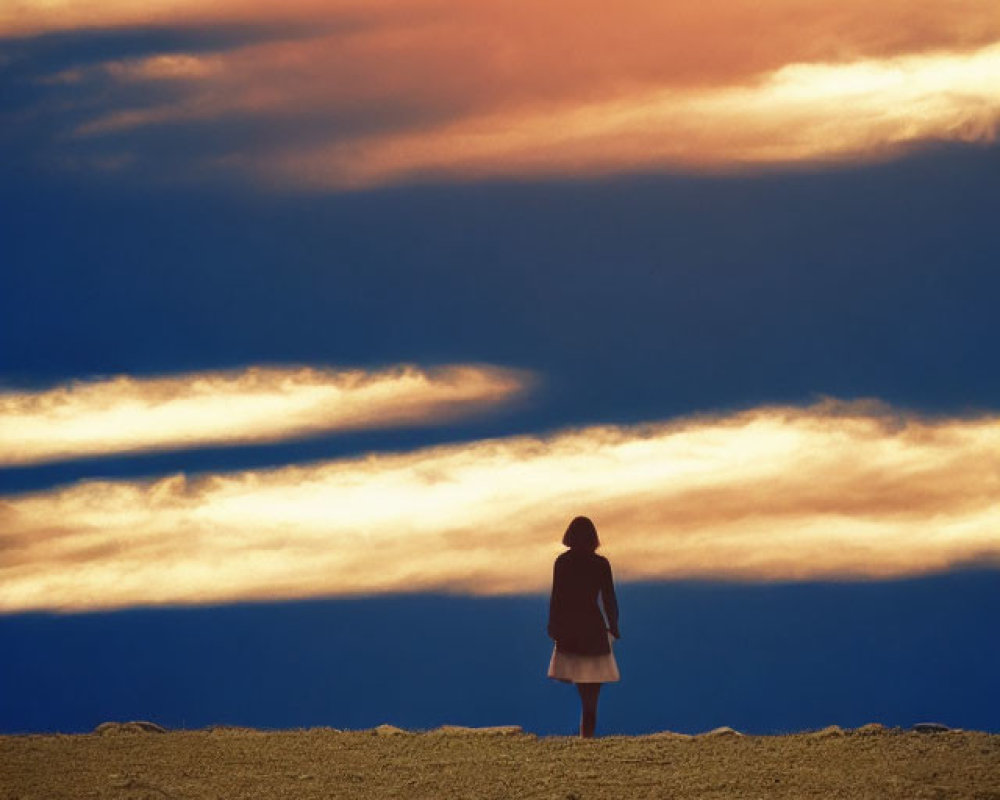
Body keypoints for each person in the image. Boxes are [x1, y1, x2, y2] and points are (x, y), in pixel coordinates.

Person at [547, 515, 620, 738]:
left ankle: (585, 736)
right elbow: (609, 599)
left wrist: (554, 626)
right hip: (593, 630)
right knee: (592, 697)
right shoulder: (600, 564)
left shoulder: (562, 562)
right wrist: (614, 626)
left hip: (571, 631)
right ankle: (587, 735)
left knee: (584, 690)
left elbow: (556, 598)